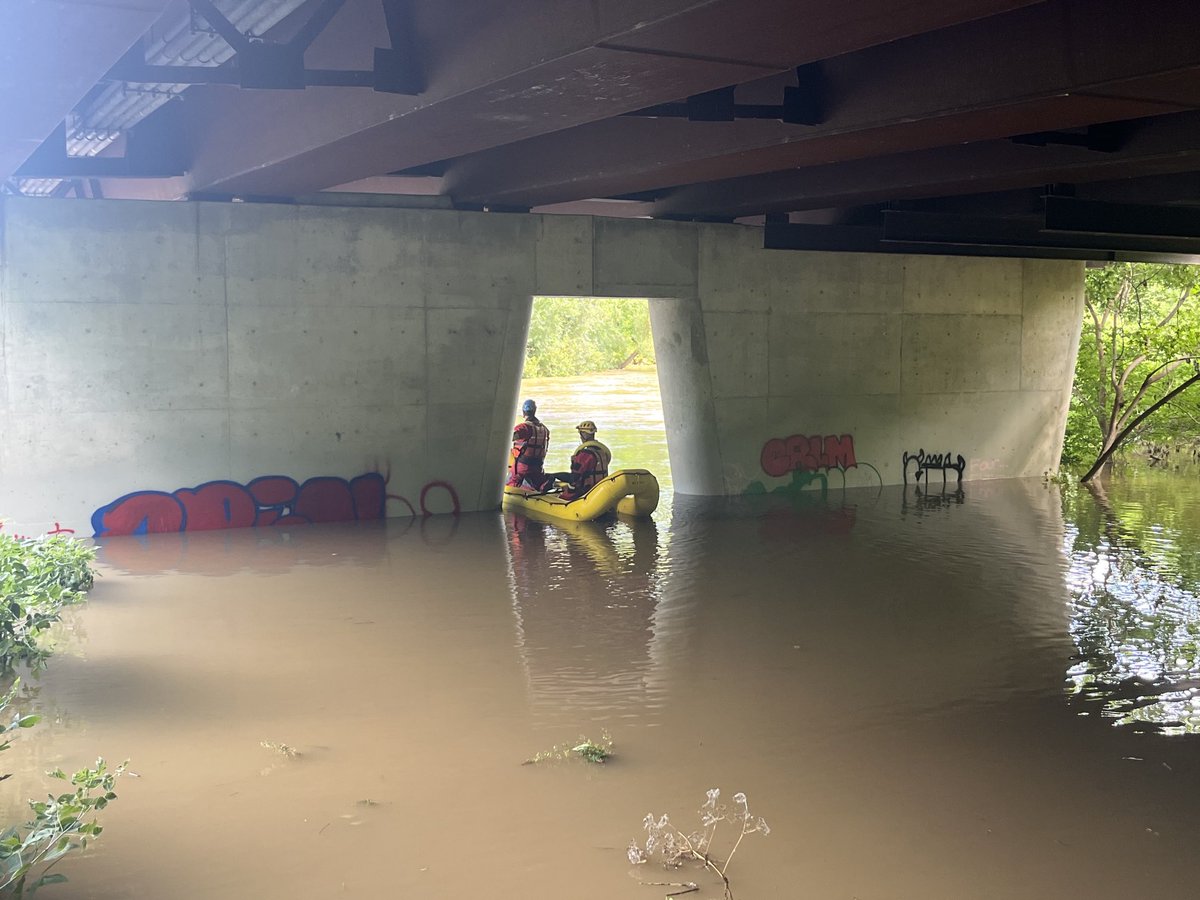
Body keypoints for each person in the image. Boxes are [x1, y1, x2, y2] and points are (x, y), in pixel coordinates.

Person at [506, 399, 553, 490]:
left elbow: (509, 438)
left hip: (523, 467)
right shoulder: (544, 429)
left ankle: (522, 489)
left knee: (512, 482)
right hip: (538, 467)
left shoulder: (524, 428)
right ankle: (541, 486)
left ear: (523, 412)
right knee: (537, 481)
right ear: (534, 411)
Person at [559, 420, 612, 501]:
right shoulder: (602, 451)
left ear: (584, 434)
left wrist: (567, 493)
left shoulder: (584, 454)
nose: (580, 436)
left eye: (581, 433)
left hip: (586, 492)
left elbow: (575, 477)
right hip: (600, 490)